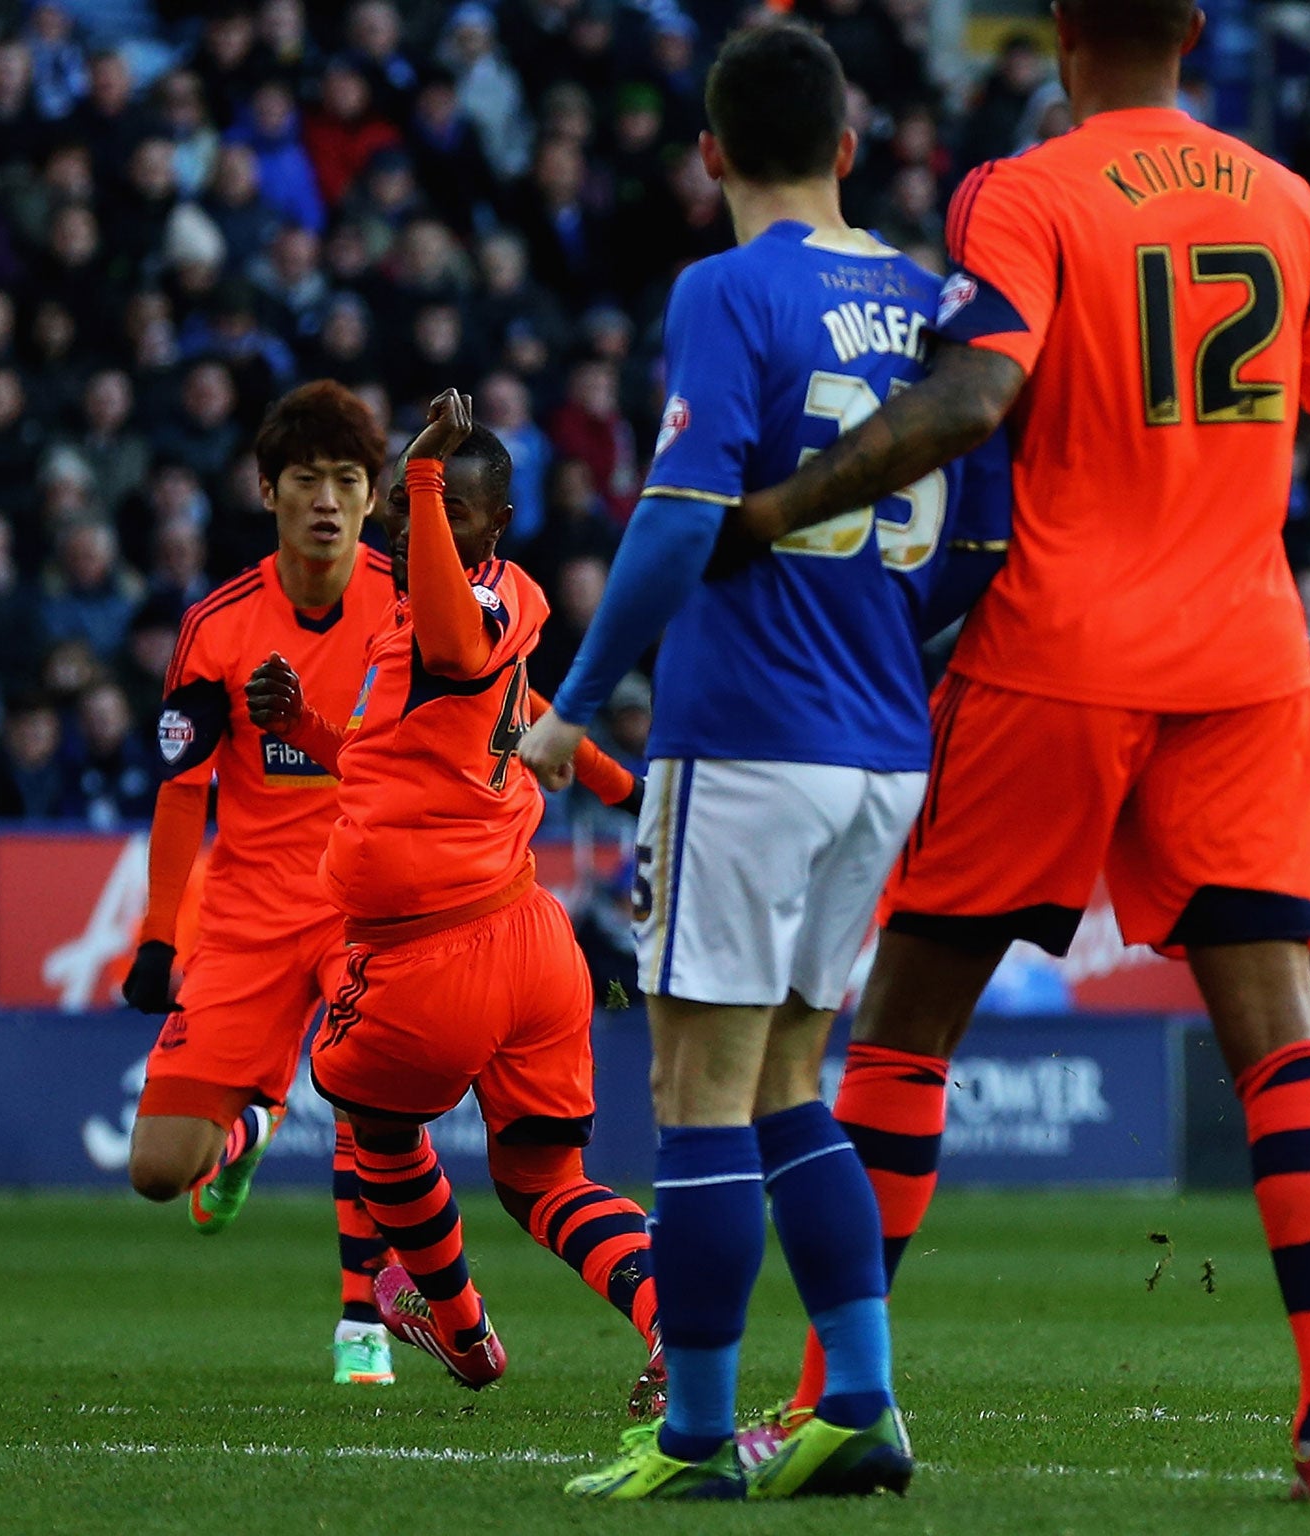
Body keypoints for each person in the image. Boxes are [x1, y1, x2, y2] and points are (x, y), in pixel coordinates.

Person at [722, 0, 1310, 1504]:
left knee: (904, 1033)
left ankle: (837, 1402)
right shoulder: (1287, 200)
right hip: (1250, 669)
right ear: (1194, 30)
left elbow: (977, 394)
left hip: (1056, 661)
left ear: (1062, 29)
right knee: (1285, 1044)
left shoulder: (1024, 192)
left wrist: (766, 514)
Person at [518, 23, 1010, 1502]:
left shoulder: (725, 288)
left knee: (698, 1086)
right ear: (851, 150)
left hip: (742, 739)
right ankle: (857, 1402)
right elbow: (982, 539)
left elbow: (678, 514)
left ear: (711, 155)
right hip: (880, 745)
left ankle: (695, 1441)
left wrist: (574, 705)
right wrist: (878, 639)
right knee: (796, 1076)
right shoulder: (934, 301)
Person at [263, 393, 663, 1417]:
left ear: (489, 525)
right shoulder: (475, 610)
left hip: (436, 955)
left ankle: (455, 1320)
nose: (404, 523)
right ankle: (676, 1323)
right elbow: (416, 751)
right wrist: (306, 724)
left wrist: (429, 478)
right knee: (542, 1182)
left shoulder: (467, 608)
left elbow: (452, 644)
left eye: (430, 508)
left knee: (370, 1119)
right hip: (528, 939)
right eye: (402, 508)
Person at [117, 380, 404, 1386]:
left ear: (374, 498)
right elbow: (179, 792)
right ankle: (247, 1128)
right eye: (305, 480)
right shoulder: (218, 627)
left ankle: (361, 1320)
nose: (326, 499)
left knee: (372, 1094)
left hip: (368, 900)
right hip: (244, 911)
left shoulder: (407, 605)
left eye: (347, 481)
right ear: (267, 492)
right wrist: (160, 936)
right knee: (158, 1172)